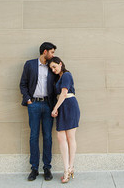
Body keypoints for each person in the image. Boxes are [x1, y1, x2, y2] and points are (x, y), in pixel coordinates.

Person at [19, 42, 58, 181]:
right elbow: (23, 84)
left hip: (48, 105)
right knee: (33, 136)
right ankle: (34, 168)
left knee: (47, 136)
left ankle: (47, 167)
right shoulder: (30, 65)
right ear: (45, 51)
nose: (53, 55)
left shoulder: (52, 67)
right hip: (34, 105)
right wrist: (28, 100)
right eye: (52, 52)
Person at [49, 56, 80, 184]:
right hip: (62, 106)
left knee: (70, 137)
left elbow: (63, 93)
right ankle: (67, 167)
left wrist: (54, 108)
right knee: (61, 137)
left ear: (60, 63)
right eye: (51, 68)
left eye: (54, 67)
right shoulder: (60, 77)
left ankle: (69, 168)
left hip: (69, 105)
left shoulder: (67, 75)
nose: (53, 70)